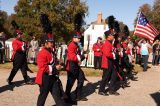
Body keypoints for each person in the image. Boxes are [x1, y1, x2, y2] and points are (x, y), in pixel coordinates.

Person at [35, 35, 66, 106]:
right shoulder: (42, 53)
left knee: (58, 96)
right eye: (50, 42)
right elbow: (43, 67)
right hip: (45, 78)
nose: (52, 43)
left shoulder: (51, 51)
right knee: (43, 97)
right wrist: (55, 68)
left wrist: (59, 62)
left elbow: (53, 61)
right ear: (45, 44)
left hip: (53, 77)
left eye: (52, 42)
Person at [65, 34, 88, 102]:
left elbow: (78, 54)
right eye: (78, 38)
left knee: (81, 79)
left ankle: (78, 95)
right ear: (74, 38)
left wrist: (83, 53)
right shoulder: (71, 45)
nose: (79, 39)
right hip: (72, 65)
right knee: (70, 82)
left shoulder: (77, 44)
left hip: (76, 65)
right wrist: (83, 57)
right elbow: (72, 57)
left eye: (80, 38)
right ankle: (66, 96)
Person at [99, 30, 119, 96]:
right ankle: (101, 90)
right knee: (105, 77)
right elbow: (107, 54)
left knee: (114, 75)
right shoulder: (106, 43)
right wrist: (114, 55)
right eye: (112, 35)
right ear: (108, 36)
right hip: (107, 62)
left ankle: (111, 90)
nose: (113, 36)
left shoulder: (110, 43)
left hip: (111, 62)